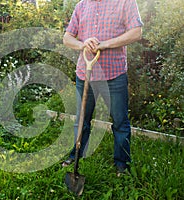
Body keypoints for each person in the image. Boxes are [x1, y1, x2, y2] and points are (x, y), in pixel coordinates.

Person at [61, 0, 143, 176]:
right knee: (81, 120)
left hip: (114, 75)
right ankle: (76, 154)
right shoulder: (82, 5)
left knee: (120, 122)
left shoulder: (125, 2)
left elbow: (136, 32)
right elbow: (67, 38)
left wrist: (105, 44)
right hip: (85, 75)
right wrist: (83, 44)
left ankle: (122, 163)